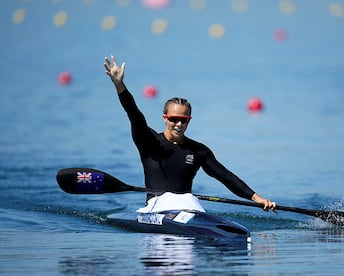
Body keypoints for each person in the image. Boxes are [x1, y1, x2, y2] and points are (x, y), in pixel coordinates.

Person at [104, 55, 276, 211]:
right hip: (157, 207)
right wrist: (119, 84)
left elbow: (225, 176)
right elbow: (134, 114)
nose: (178, 124)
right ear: (165, 118)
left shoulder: (198, 151)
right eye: (173, 119)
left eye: (183, 120)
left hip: (188, 206)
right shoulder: (148, 141)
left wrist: (257, 198)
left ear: (189, 120)